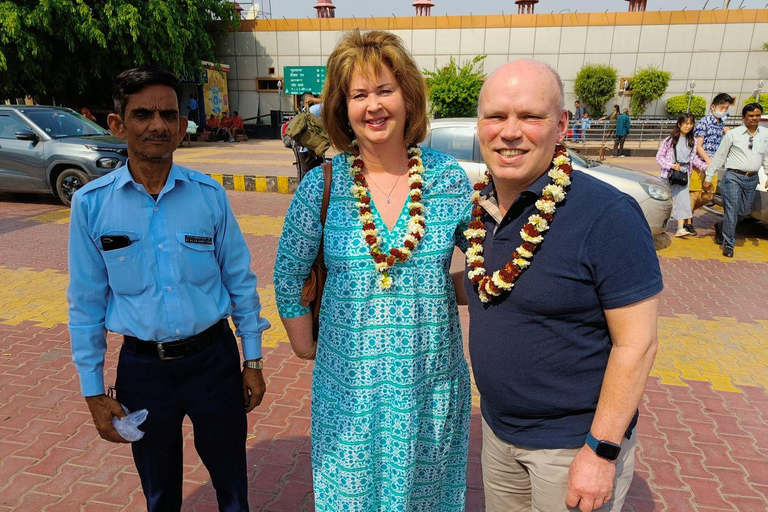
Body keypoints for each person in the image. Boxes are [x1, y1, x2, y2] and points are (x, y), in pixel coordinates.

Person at [274, 30, 472, 511]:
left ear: (408, 95)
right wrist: (306, 346)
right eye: (359, 95)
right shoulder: (323, 185)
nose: (373, 105)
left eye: (385, 90)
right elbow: (287, 275)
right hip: (349, 393)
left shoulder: (448, 180)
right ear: (342, 108)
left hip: (430, 387)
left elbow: (483, 268)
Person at [67, 66, 270, 511]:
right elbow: (85, 304)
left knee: (232, 483)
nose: (158, 125)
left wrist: (251, 359)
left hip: (214, 363)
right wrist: (93, 391)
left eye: (168, 115)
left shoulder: (209, 196)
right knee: (159, 492)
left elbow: (240, 281)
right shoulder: (91, 205)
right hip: (143, 371)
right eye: (143, 114)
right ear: (118, 124)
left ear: (182, 125)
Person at [463, 59, 661, 512]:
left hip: (572, 449)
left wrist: (602, 451)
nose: (509, 132)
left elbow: (637, 344)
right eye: (496, 116)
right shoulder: (482, 211)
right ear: (480, 125)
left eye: (530, 116)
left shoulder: (607, 215)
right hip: (498, 435)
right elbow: (484, 288)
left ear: (561, 125)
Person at [704, 102, 768, 257]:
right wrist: (708, 176)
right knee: (732, 211)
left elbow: (765, 157)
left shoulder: (765, 134)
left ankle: (722, 225)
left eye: (757, 115)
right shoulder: (733, 134)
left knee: (745, 211)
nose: (754, 118)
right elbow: (719, 157)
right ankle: (729, 244)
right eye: (751, 116)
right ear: (743, 117)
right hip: (733, 177)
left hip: (752, 179)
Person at [656, 113, 708, 238]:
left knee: (683, 200)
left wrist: (704, 166)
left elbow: (693, 158)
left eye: (690, 124)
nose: (688, 126)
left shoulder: (693, 141)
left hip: (684, 174)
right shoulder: (670, 140)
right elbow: (659, 157)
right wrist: (671, 165)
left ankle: (680, 228)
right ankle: (660, 225)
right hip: (669, 174)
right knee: (666, 200)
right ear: (679, 124)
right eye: (685, 123)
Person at [690, 93, 734, 234]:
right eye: (722, 107)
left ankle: (685, 212)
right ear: (713, 107)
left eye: (726, 108)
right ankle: (687, 222)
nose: (724, 111)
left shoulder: (721, 121)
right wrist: (708, 160)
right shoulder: (704, 122)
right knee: (695, 194)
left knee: (708, 196)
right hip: (699, 163)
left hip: (713, 164)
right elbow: (698, 145)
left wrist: (725, 131)